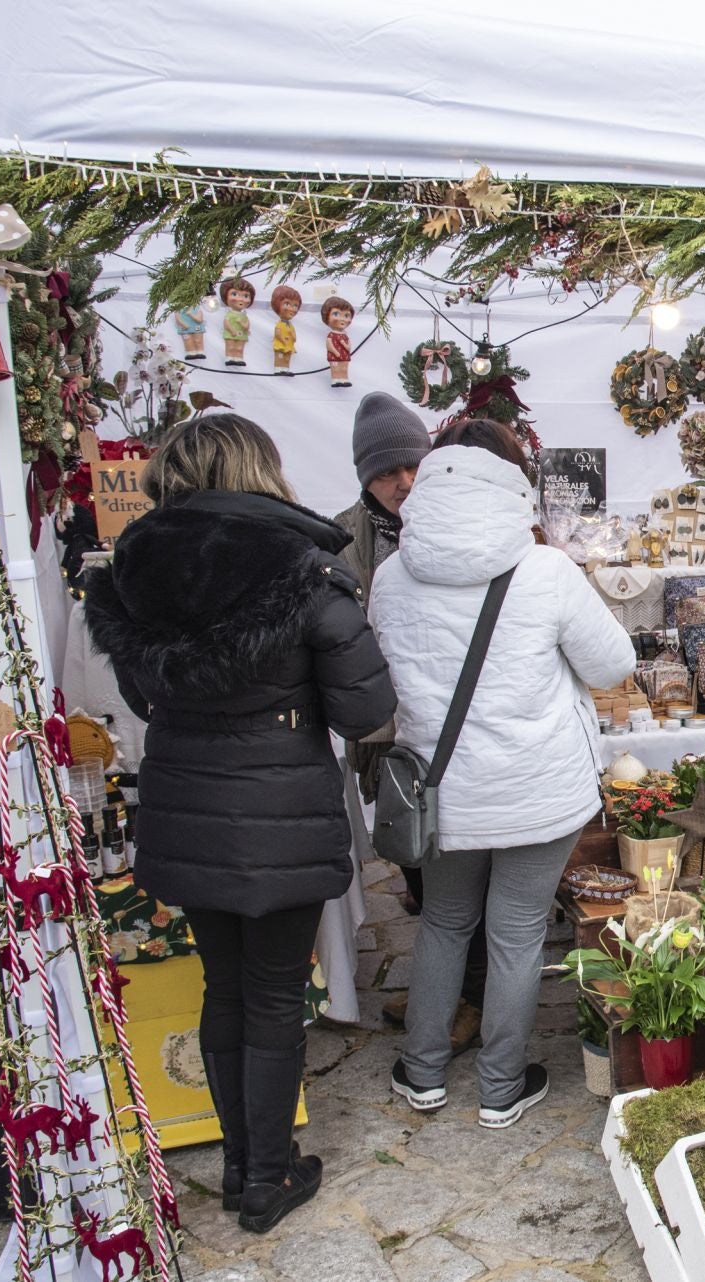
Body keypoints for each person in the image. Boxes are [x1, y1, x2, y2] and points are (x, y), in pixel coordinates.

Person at [83, 413, 395, 1232]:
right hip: (279, 808)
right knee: (271, 995)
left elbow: (141, 696)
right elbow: (368, 709)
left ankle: (236, 1165)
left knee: (226, 988)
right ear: (260, 468)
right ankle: (266, 1177)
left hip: (184, 799)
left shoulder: (133, 566)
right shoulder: (305, 567)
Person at [370, 416, 635, 1128]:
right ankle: (500, 1087)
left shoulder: (391, 575)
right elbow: (613, 665)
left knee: (445, 922)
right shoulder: (545, 570)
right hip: (535, 788)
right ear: (514, 486)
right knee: (515, 931)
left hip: (442, 790)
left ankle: (423, 1072)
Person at [331, 393, 487, 1048]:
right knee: (421, 873)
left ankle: (464, 1004)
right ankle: (439, 990)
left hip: (457, 733)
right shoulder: (341, 539)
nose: (402, 482)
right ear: (365, 473)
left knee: (461, 879)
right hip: (391, 740)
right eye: (387, 470)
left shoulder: (456, 524)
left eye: (411, 467)